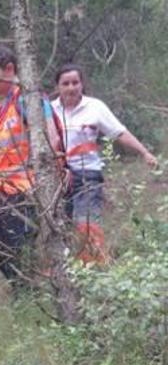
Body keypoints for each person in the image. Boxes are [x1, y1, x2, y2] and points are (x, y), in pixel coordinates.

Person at [51, 63, 159, 265]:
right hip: (57, 176)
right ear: (58, 87)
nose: (71, 87)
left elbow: (119, 132)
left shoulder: (95, 107)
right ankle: (66, 272)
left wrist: (144, 152)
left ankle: (96, 268)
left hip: (88, 175)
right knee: (61, 226)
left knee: (86, 222)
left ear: (82, 84)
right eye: (65, 83)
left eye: (75, 82)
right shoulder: (49, 110)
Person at [0, 44, 61, 290]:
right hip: (7, 190)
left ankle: (30, 300)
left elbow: (51, 137)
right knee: (1, 253)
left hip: (29, 190)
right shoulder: (0, 111)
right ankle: (27, 295)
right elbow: (4, 154)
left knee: (18, 251)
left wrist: (47, 180)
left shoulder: (29, 99)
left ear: (10, 69)